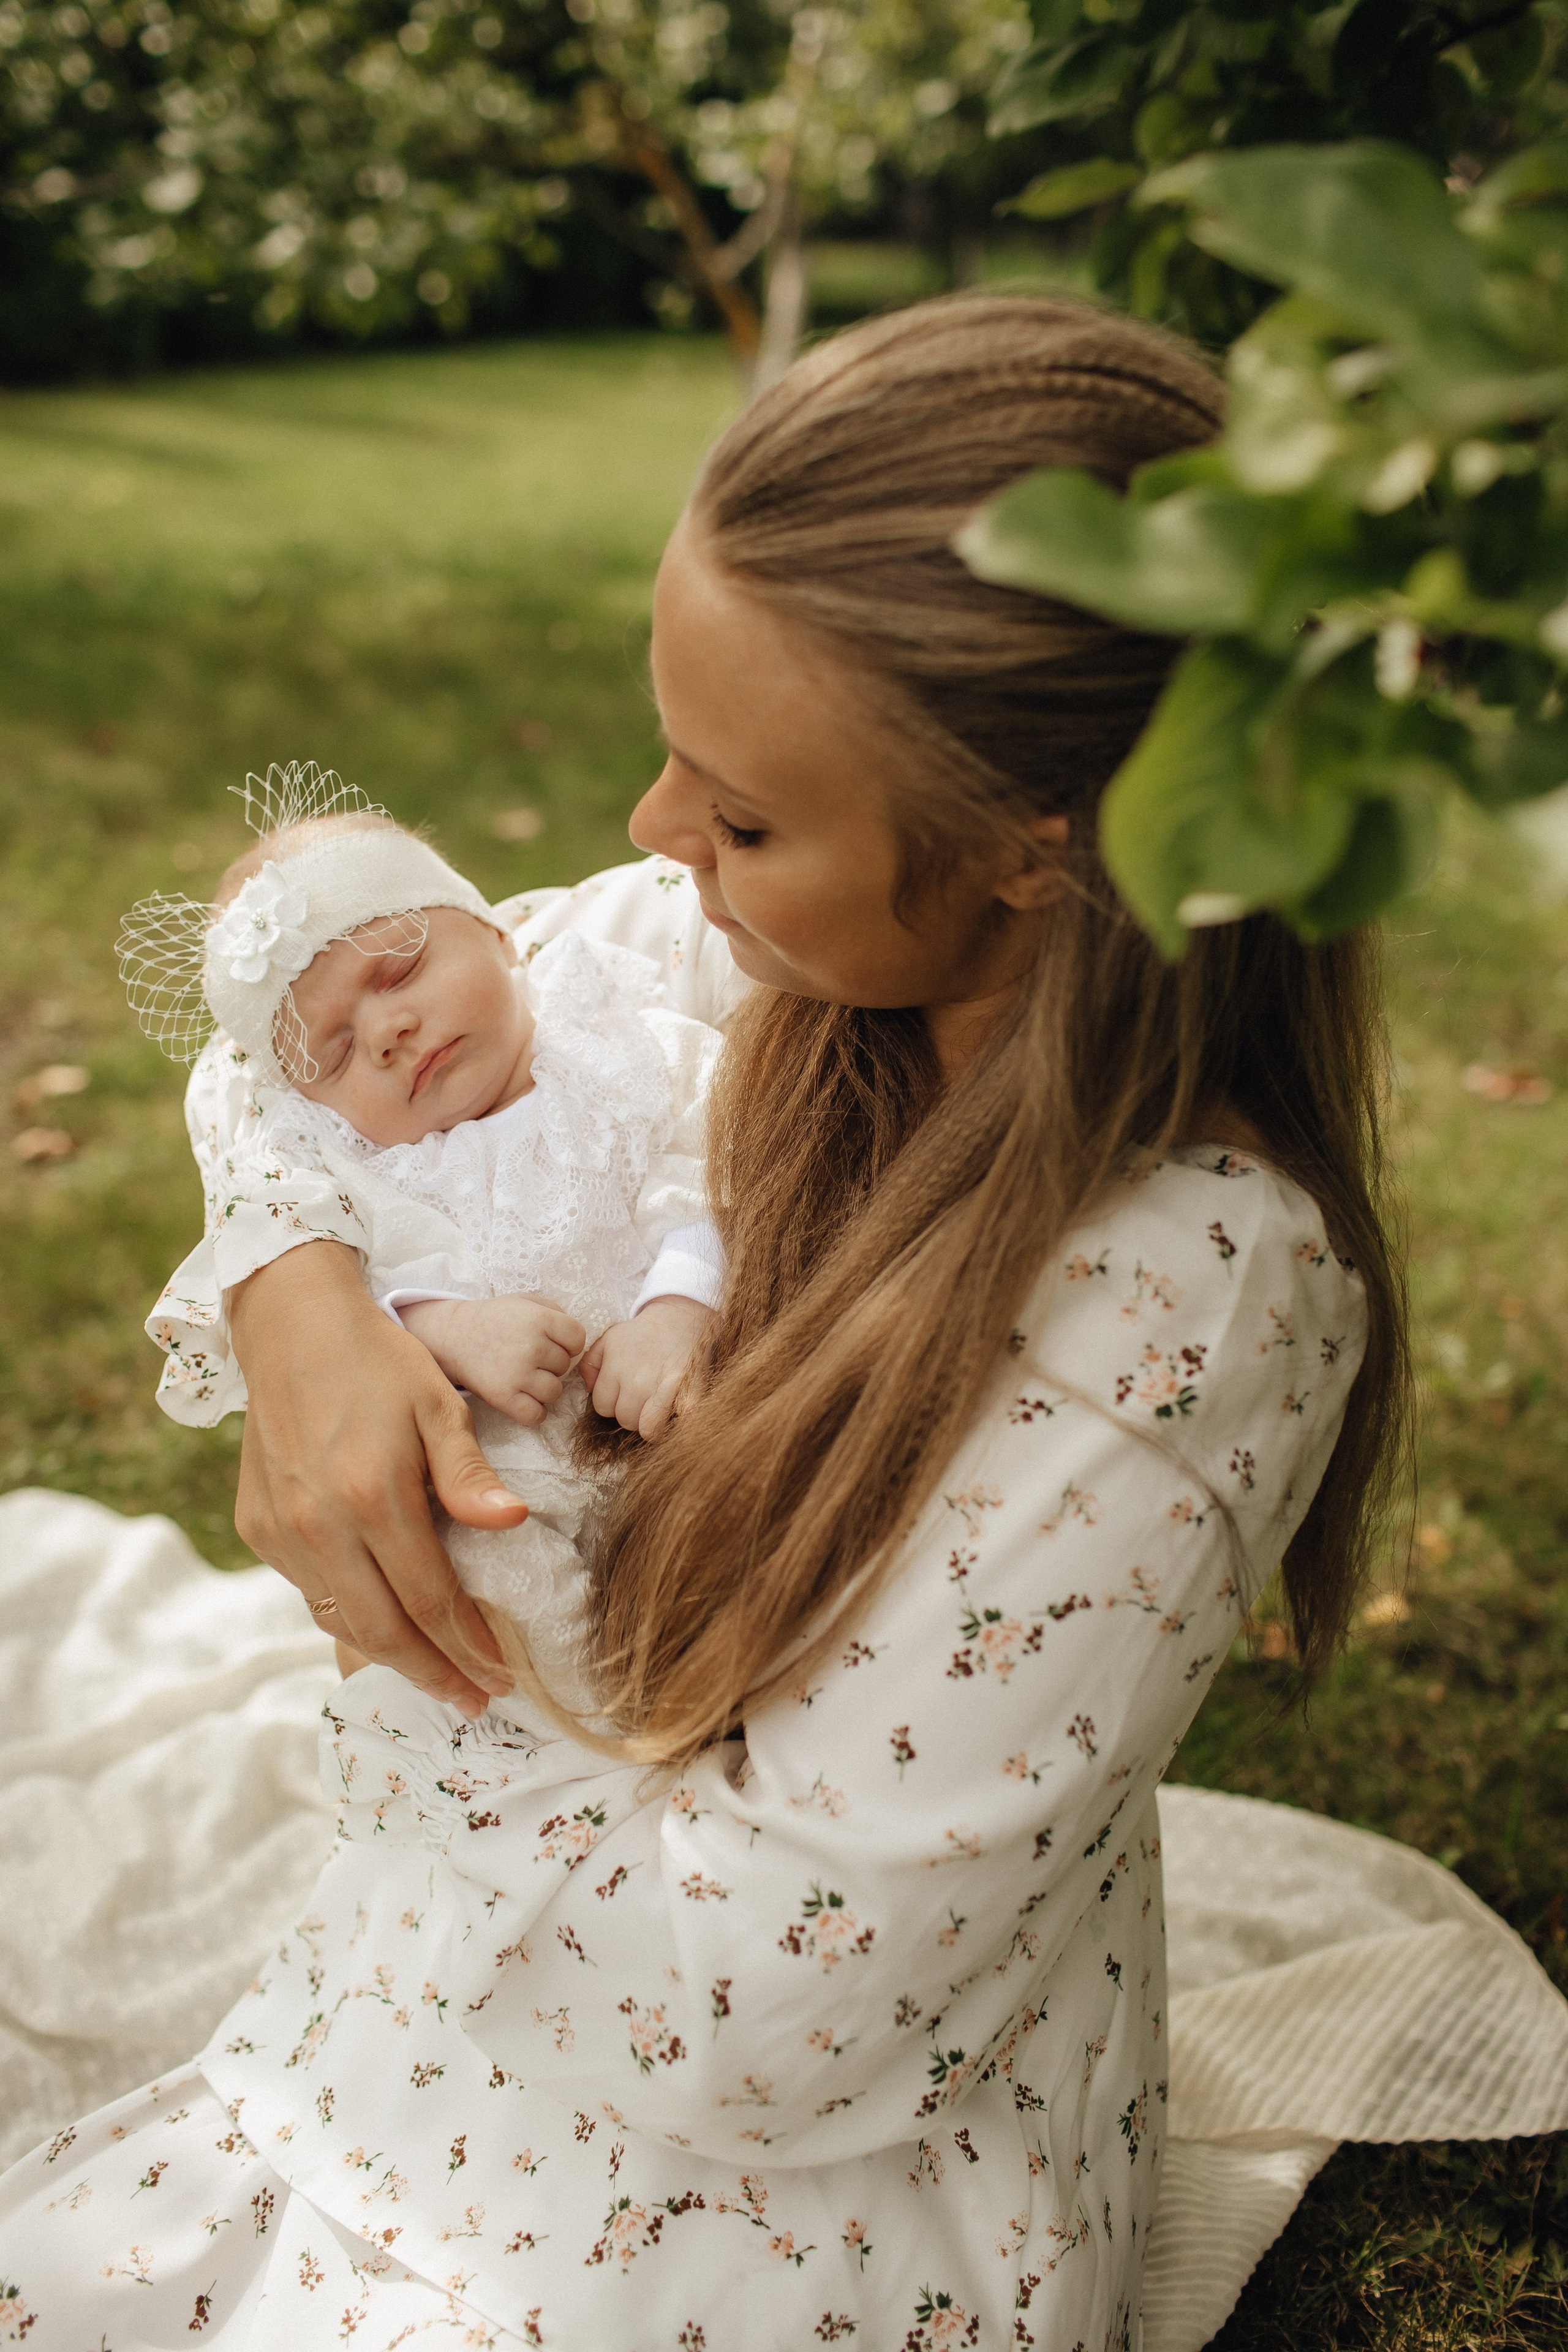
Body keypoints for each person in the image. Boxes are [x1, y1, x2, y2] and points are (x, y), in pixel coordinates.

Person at [0, 294, 1405, 2349]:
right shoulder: (726, 953)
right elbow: (273, 1047)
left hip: (781, 2188)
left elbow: (754, 2026)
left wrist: (445, 1699)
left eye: (742, 810)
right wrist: (302, 1296)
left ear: (1042, 850)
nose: (654, 835)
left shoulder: (1183, 1300)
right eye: (676, 756)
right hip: (517, 1947)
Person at [121, 783, 725, 1705]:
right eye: (334, 1053)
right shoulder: (355, 1170)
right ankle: (582, 1717)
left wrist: (678, 1307)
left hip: (681, 1406)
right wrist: (444, 1329)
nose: (389, 1032)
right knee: (470, 1553)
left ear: (495, 934)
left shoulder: (616, 1036)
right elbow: (354, 1318)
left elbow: (708, 1160)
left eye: (398, 971)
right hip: (514, 1468)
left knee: (738, 1519)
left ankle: (708, 1677)